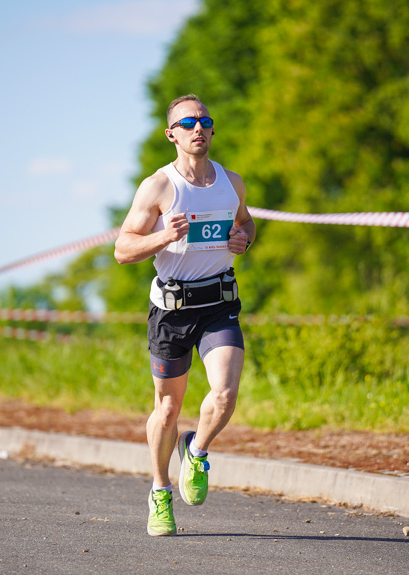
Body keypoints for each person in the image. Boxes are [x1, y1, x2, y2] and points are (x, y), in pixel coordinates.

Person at [114, 94, 256, 536]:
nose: (199, 128)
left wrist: (243, 239)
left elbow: (246, 223)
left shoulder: (231, 183)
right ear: (171, 134)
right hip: (171, 310)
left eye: (205, 121)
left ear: (212, 131)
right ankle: (160, 491)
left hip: (218, 304)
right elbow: (122, 249)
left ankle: (197, 450)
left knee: (225, 394)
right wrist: (161, 239)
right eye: (188, 122)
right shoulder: (158, 187)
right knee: (169, 408)